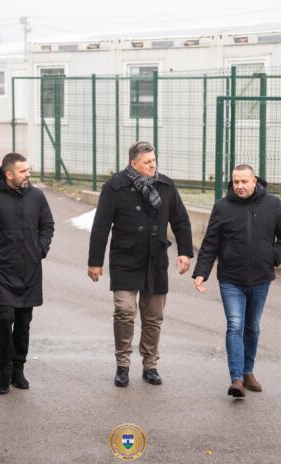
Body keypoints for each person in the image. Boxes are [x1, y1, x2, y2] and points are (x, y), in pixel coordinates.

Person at [88, 141, 193, 387]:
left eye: (154, 160)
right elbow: (101, 225)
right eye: (147, 162)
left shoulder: (166, 186)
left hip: (155, 260)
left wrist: (185, 253)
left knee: (153, 317)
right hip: (125, 259)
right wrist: (95, 261)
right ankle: (123, 364)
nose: (153, 165)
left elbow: (180, 220)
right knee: (124, 311)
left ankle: (150, 365)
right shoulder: (114, 187)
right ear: (134, 164)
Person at [192, 164, 281, 398]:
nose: (239, 186)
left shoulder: (273, 205)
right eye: (236, 182)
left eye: (244, 182)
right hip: (231, 278)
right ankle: (236, 378)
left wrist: (273, 257)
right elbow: (211, 242)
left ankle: (248, 371)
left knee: (252, 326)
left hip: (261, 278)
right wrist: (201, 272)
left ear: (254, 181)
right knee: (235, 326)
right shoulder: (222, 207)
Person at [0, 153, 54, 395]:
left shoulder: (37, 196)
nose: (28, 174)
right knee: (4, 317)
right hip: (1, 270)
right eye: (23, 171)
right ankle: (5, 369)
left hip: (30, 270)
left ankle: (19, 369)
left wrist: (40, 249)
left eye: (28, 170)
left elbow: (47, 225)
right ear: (9, 174)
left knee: (23, 322)